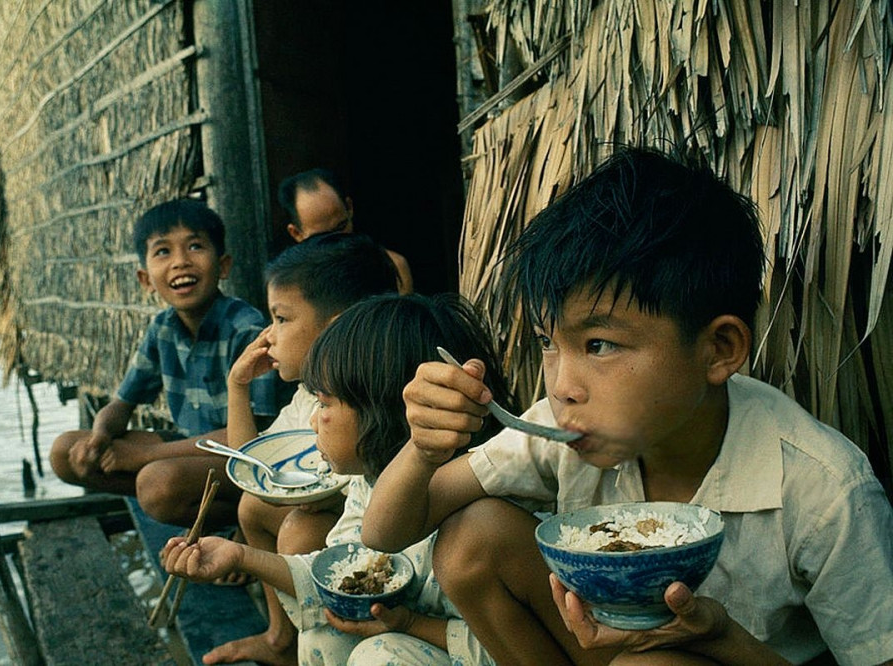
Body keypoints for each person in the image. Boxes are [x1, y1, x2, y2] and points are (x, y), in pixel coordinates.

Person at [362, 147, 893, 665]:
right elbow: (383, 535)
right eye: (549, 342)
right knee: (470, 539)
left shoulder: (823, 491)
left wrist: (722, 639)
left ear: (720, 349)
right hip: (606, 651)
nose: (563, 385)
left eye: (599, 345)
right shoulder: (562, 429)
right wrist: (422, 450)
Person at [162, 292, 515, 665]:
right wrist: (239, 556)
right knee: (326, 634)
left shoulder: (480, 502)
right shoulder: (371, 483)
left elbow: (506, 647)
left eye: (325, 403)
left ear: (380, 410)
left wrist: (411, 624)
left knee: (378, 655)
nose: (313, 420)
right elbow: (340, 575)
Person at [203, 231, 400, 665]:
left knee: (296, 531)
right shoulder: (310, 396)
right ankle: (281, 638)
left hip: (385, 536)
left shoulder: (378, 396)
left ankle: (329, 643)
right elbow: (253, 469)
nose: (268, 335)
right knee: (252, 510)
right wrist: (238, 387)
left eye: (281, 319)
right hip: (347, 517)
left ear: (338, 327)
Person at [49, 198, 289, 529]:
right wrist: (99, 437)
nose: (180, 262)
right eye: (163, 251)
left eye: (194, 246)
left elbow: (256, 434)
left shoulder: (245, 328)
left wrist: (144, 456)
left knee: (157, 483)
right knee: (65, 453)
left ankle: (252, 524)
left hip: (244, 458)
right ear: (145, 279)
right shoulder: (162, 327)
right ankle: (192, 512)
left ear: (223, 266)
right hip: (186, 447)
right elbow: (122, 403)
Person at [277, 167, 414, 293]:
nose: (337, 242)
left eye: (341, 227)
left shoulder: (392, 267)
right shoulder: (292, 288)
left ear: (349, 207)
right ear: (297, 233)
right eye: (322, 237)